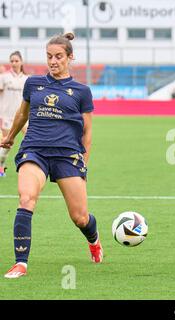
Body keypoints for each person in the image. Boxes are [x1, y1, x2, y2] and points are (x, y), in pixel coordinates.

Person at [0, 33, 103, 279]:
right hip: (34, 150)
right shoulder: (33, 83)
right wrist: (11, 137)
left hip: (68, 156)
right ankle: (21, 263)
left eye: (58, 56)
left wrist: (83, 165)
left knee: (79, 217)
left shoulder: (82, 91)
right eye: (49, 57)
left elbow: (87, 133)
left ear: (70, 57)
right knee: (26, 199)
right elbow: (21, 114)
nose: (53, 61)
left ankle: (94, 240)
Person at [0, 51, 29, 177]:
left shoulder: (27, 79)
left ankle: (29, 166)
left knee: (30, 139)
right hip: (7, 116)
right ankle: (1, 166)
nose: (14, 63)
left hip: (23, 117)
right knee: (7, 145)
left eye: (16, 61)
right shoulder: (4, 77)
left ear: (21, 62)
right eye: (12, 61)